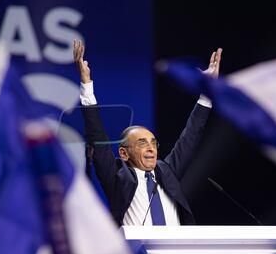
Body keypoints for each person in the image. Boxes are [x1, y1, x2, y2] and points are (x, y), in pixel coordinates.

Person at [73, 40, 222, 227]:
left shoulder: (167, 172)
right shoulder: (118, 178)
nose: (151, 148)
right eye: (142, 143)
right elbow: (97, 137)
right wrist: (87, 86)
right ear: (124, 153)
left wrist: (207, 92)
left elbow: (191, 135)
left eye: (153, 143)